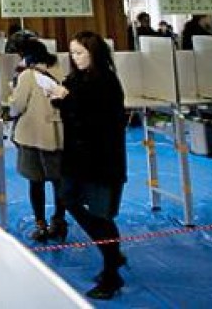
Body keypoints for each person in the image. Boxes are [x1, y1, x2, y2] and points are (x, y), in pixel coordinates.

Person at [48, 31, 128, 301]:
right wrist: (59, 98)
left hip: (101, 160)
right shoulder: (77, 78)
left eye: (80, 53)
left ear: (95, 53)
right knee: (69, 199)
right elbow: (73, 109)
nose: (75, 58)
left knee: (101, 215)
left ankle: (112, 272)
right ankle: (113, 256)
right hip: (76, 158)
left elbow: (99, 120)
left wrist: (67, 100)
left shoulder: (105, 81)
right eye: (72, 53)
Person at [8, 39, 67, 243]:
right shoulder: (60, 69)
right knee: (59, 182)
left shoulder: (27, 75)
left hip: (33, 136)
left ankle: (41, 225)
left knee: (36, 182)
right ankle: (60, 221)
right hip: (59, 135)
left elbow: (17, 105)